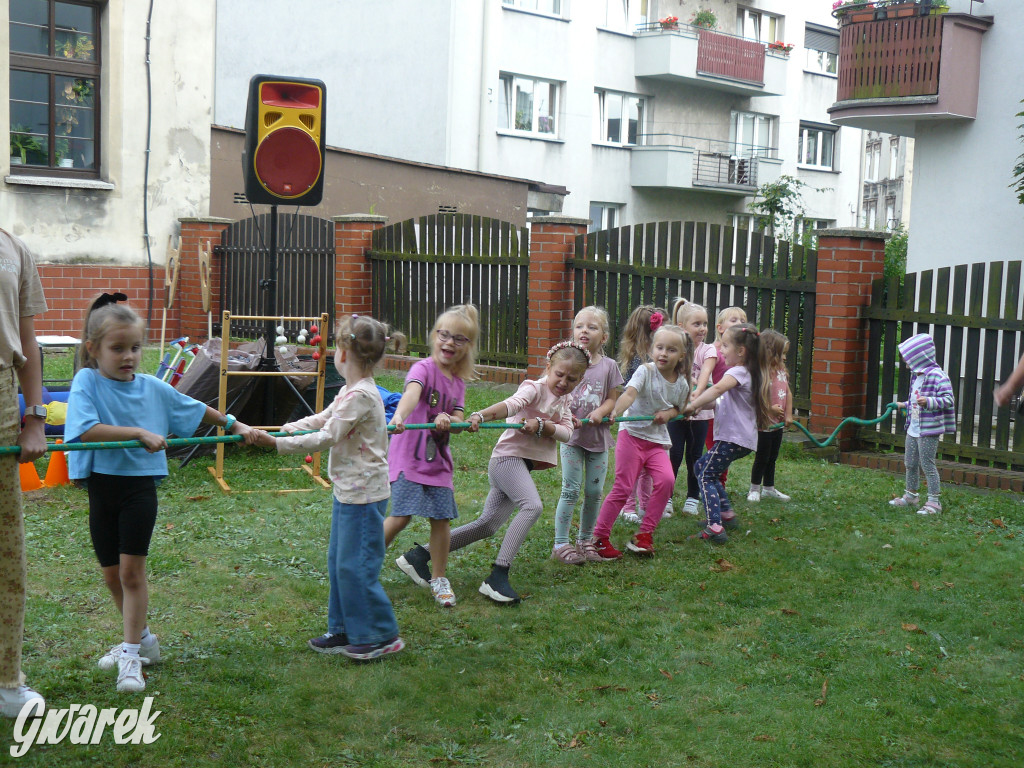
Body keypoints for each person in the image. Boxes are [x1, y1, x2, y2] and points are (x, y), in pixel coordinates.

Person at [64, 294, 258, 692]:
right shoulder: (87, 381)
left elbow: (194, 406)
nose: (128, 356)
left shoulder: (152, 386)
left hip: (138, 489)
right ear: (93, 349)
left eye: (134, 347)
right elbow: (86, 429)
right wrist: (138, 432)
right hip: (102, 487)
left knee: (132, 573)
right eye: (117, 348)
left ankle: (131, 655)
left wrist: (234, 425)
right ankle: (145, 641)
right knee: (111, 575)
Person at [254, 315, 406, 660]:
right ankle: (342, 629)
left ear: (342, 353)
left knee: (357, 566)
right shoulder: (350, 392)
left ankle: (382, 635)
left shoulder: (362, 396)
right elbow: (323, 419)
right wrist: (285, 429)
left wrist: (276, 445)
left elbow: (327, 436)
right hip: (348, 490)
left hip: (365, 495)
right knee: (340, 561)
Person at [396, 341, 589, 604]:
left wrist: (544, 425)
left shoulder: (564, 400)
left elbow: (567, 433)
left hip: (521, 465)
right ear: (549, 367)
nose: (564, 382)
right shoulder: (535, 388)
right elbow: (511, 404)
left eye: (572, 379)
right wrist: (481, 415)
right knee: (532, 506)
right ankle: (498, 576)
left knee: (487, 525)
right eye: (560, 374)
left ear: (580, 380)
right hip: (507, 460)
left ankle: (417, 557)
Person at [387, 304, 478, 607]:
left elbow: (458, 417)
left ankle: (439, 578)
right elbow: (412, 394)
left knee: (441, 519)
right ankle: (362, 564)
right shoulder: (422, 368)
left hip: (437, 463)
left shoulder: (458, 382)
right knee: (401, 517)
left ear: (467, 347)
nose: (449, 343)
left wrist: (453, 421)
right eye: (444, 335)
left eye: (459, 339)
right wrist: (400, 415)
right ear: (434, 336)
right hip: (409, 457)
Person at [590, 324, 693, 559]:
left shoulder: (682, 384)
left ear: (681, 356)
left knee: (667, 481)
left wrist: (668, 414)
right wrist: (615, 411)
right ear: (651, 349)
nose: (664, 353)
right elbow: (629, 394)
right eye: (659, 347)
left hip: (657, 441)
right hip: (632, 435)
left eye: (671, 350)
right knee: (624, 487)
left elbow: (679, 407)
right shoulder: (645, 371)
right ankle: (599, 537)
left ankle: (644, 535)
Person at [0, 228, 47, 719]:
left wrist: (35, 416)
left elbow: (28, 341)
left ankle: (5, 679)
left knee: (5, 550)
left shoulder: (12, 248)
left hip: (0, 395)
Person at [684, 323, 772, 544]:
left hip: (731, 438)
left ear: (741, 351)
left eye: (725, 345)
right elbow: (718, 402)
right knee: (701, 467)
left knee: (705, 474)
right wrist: (696, 407)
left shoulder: (736, 372)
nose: (721, 350)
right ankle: (725, 514)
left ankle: (714, 526)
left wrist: (693, 403)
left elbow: (715, 390)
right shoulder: (751, 373)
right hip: (741, 440)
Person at [551, 307, 622, 565]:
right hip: (571, 438)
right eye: (580, 326)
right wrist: (565, 416)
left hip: (598, 439)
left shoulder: (609, 366)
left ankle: (585, 540)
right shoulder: (566, 361)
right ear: (573, 331)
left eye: (592, 327)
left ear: (603, 337)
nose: (585, 331)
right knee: (570, 490)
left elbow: (613, 398)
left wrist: (601, 411)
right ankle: (560, 543)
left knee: (594, 491)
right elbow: (554, 393)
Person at [888, 333, 955, 515]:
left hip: (929, 430)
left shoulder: (938, 376)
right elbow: (917, 401)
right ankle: (911, 496)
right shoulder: (916, 376)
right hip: (913, 428)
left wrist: (930, 402)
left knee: (927, 464)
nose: (905, 362)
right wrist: (904, 404)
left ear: (920, 357)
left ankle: (934, 502)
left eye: (908, 358)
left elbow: (948, 399)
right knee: (910, 462)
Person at [615, 304, 667, 524]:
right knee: (632, 468)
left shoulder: (659, 358)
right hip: (634, 417)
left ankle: (645, 504)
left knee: (647, 468)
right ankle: (627, 507)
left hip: (652, 418)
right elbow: (629, 391)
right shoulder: (638, 360)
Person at [668, 298, 717, 517]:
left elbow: (705, 374)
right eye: (697, 324)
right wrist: (683, 405)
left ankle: (692, 497)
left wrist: (695, 398)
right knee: (674, 454)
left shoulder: (708, 351)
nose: (703, 328)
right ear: (682, 327)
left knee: (695, 456)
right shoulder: (675, 349)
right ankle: (665, 497)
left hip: (701, 412)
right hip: (676, 412)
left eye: (705, 324)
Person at [703, 306, 748, 487]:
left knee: (725, 447)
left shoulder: (741, 354)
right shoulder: (713, 351)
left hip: (733, 410)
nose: (739, 323)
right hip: (713, 408)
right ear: (720, 328)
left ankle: (719, 482)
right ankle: (712, 480)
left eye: (742, 321)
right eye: (734, 320)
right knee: (714, 447)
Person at [748, 329, 794, 502]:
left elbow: (788, 393)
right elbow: (756, 398)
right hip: (765, 423)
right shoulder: (761, 373)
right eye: (782, 354)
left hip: (778, 423)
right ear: (770, 352)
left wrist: (788, 414)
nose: (784, 358)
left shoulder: (781, 371)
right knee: (762, 456)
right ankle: (754, 488)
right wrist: (770, 409)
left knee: (773, 456)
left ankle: (769, 487)